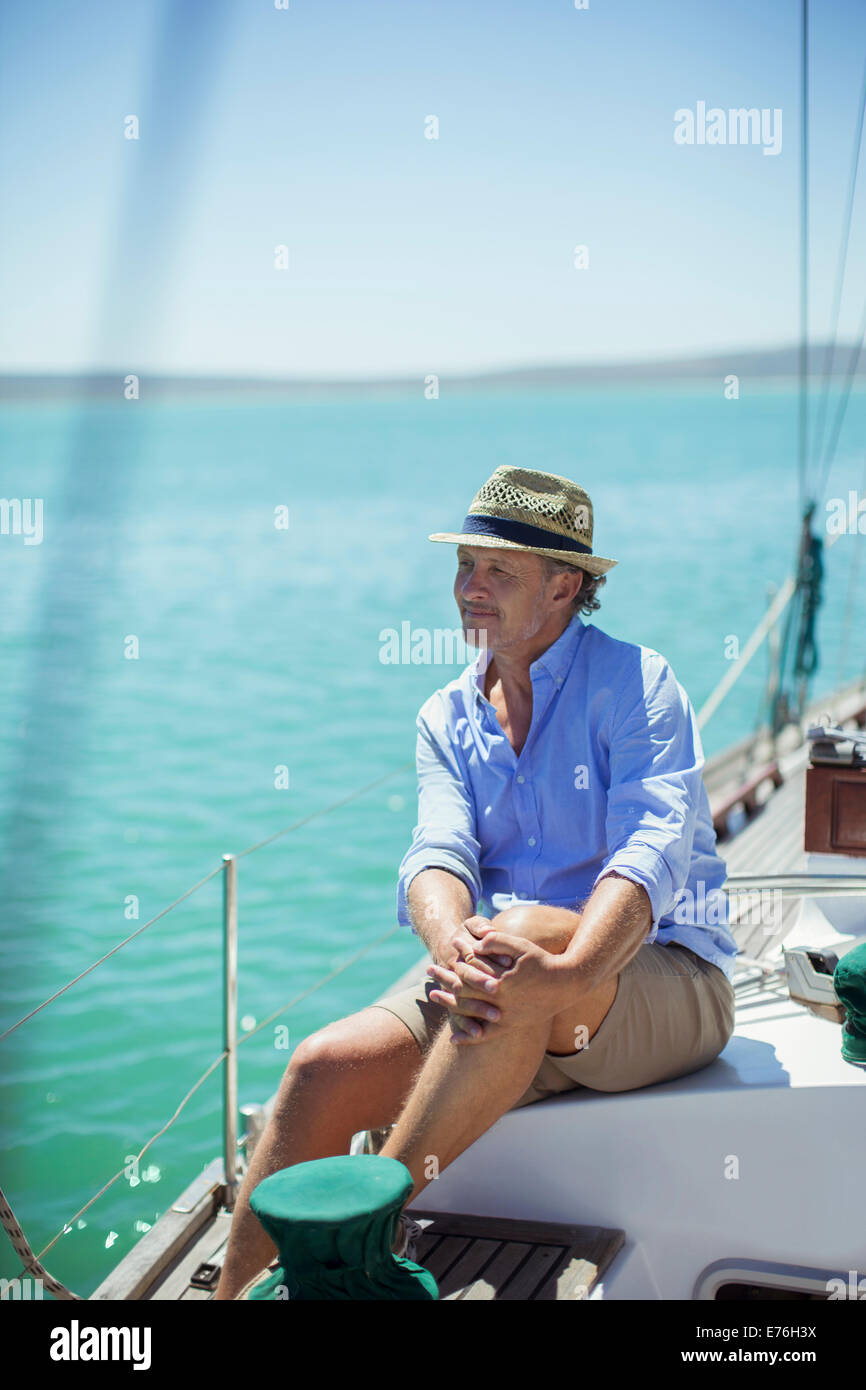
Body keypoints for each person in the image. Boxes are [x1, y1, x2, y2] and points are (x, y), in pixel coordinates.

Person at [214, 465, 737, 1299]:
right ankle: (231, 1297)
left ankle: (355, 1243)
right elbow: (438, 854)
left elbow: (652, 850)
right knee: (319, 1069)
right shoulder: (445, 715)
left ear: (566, 585)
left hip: (659, 984)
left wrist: (564, 972)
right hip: (505, 990)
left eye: (499, 572)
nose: (471, 588)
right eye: (465, 567)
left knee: (522, 933)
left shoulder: (639, 685)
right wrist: (449, 941)